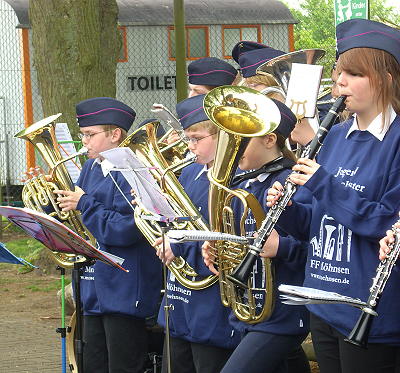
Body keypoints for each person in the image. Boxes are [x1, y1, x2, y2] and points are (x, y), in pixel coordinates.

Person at [266, 19, 400, 373]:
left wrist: (323, 183)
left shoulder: (397, 140)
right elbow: (314, 220)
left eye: (353, 74)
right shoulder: (335, 135)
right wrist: (289, 207)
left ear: (386, 78)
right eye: (340, 72)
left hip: (367, 307)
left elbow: (388, 222)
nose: (339, 82)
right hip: (322, 298)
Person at [54, 97, 162, 373]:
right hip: (94, 287)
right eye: (82, 136)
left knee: (124, 365)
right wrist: (51, 200)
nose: (84, 143)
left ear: (115, 135)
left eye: (90, 135)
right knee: (93, 364)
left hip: (126, 287)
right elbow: (78, 215)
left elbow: (127, 229)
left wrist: (84, 203)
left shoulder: (135, 171)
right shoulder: (91, 167)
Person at [203, 99, 311, 373]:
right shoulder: (242, 184)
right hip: (250, 311)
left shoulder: (293, 180)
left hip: (281, 314)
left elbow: (317, 246)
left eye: (243, 140)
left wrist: (282, 247)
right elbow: (237, 239)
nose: (233, 148)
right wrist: (218, 248)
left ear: (269, 139)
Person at [155, 94, 240, 373]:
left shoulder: (234, 177)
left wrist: (178, 246)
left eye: (196, 138)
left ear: (222, 135)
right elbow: (179, 222)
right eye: (187, 139)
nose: (190, 147)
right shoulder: (190, 172)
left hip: (212, 301)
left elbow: (226, 237)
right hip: (180, 299)